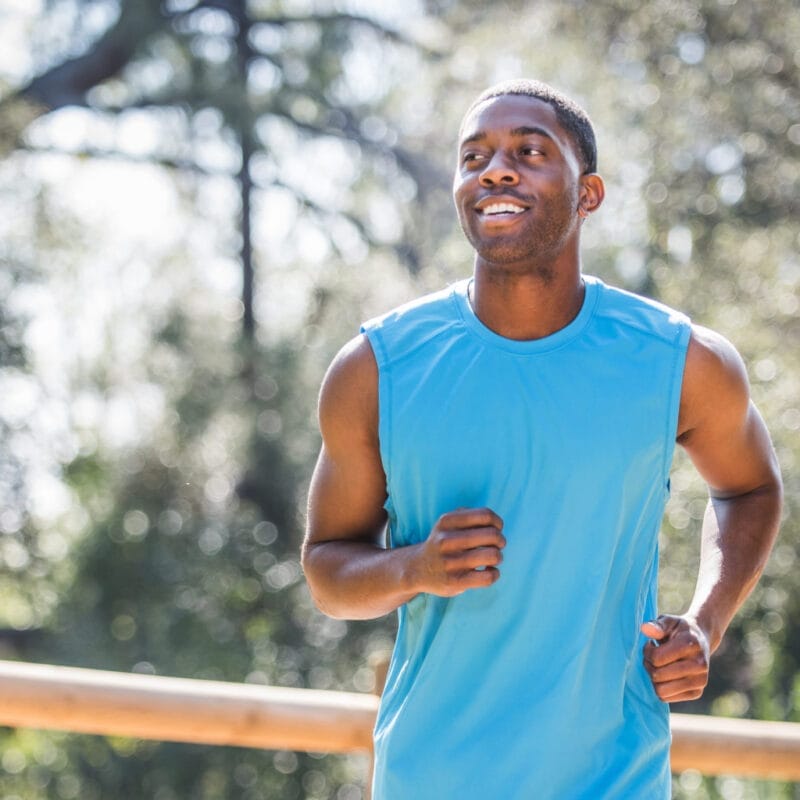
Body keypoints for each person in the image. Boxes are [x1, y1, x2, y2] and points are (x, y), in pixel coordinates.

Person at [301, 79, 783, 799]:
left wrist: (705, 624)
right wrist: (416, 568)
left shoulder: (679, 360)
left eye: (529, 151)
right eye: (475, 157)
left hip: (612, 779)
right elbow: (325, 568)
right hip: (432, 779)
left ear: (588, 194)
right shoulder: (378, 368)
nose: (495, 169)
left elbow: (750, 487)